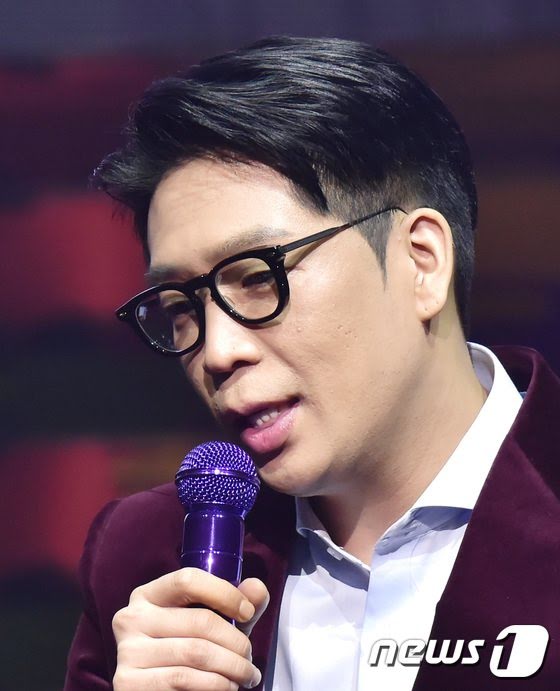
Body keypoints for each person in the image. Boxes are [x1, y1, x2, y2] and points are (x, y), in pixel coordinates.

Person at [64, 36, 560, 690]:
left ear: (421, 262)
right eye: (181, 306)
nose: (218, 352)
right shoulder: (144, 559)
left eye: (258, 277)